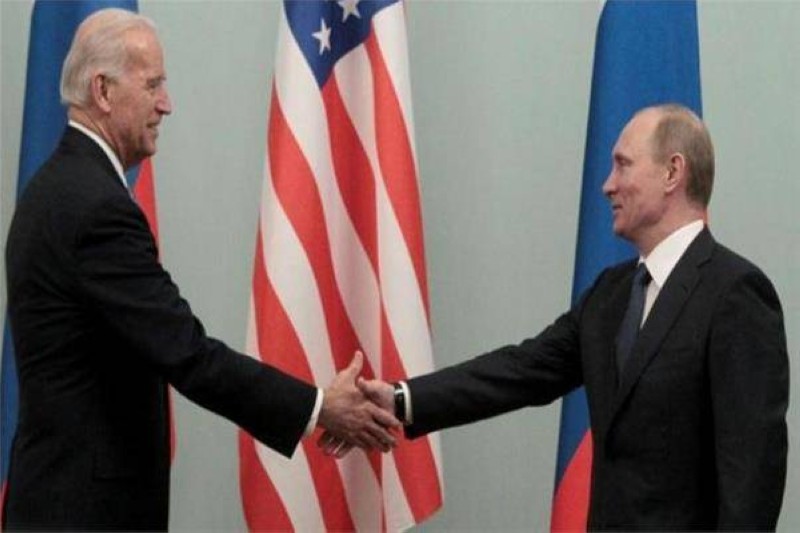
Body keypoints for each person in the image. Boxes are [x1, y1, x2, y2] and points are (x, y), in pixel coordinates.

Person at [2, 9, 397, 531]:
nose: (166, 104)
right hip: (85, 514)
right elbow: (187, 353)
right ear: (103, 91)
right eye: (152, 85)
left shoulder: (54, 189)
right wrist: (319, 406)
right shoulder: (96, 209)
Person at [339, 104, 790, 530]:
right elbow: (521, 370)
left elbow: (752, 475)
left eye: (623, 165)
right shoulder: (612, 294)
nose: (607, 185)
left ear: (672, 172)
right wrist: (402, 399)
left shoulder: (734, 293)